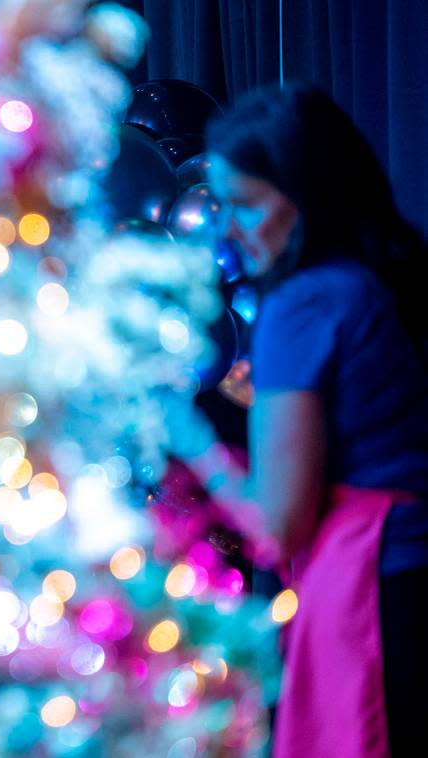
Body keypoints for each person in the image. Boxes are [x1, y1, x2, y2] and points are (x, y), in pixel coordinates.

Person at [171, 83, 428, 757]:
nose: (227, 229)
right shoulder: (390, 280)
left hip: (375, 597)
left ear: (308, 197)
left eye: (247, 206)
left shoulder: (305, 304)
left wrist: (190, 442)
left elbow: (277, 527)